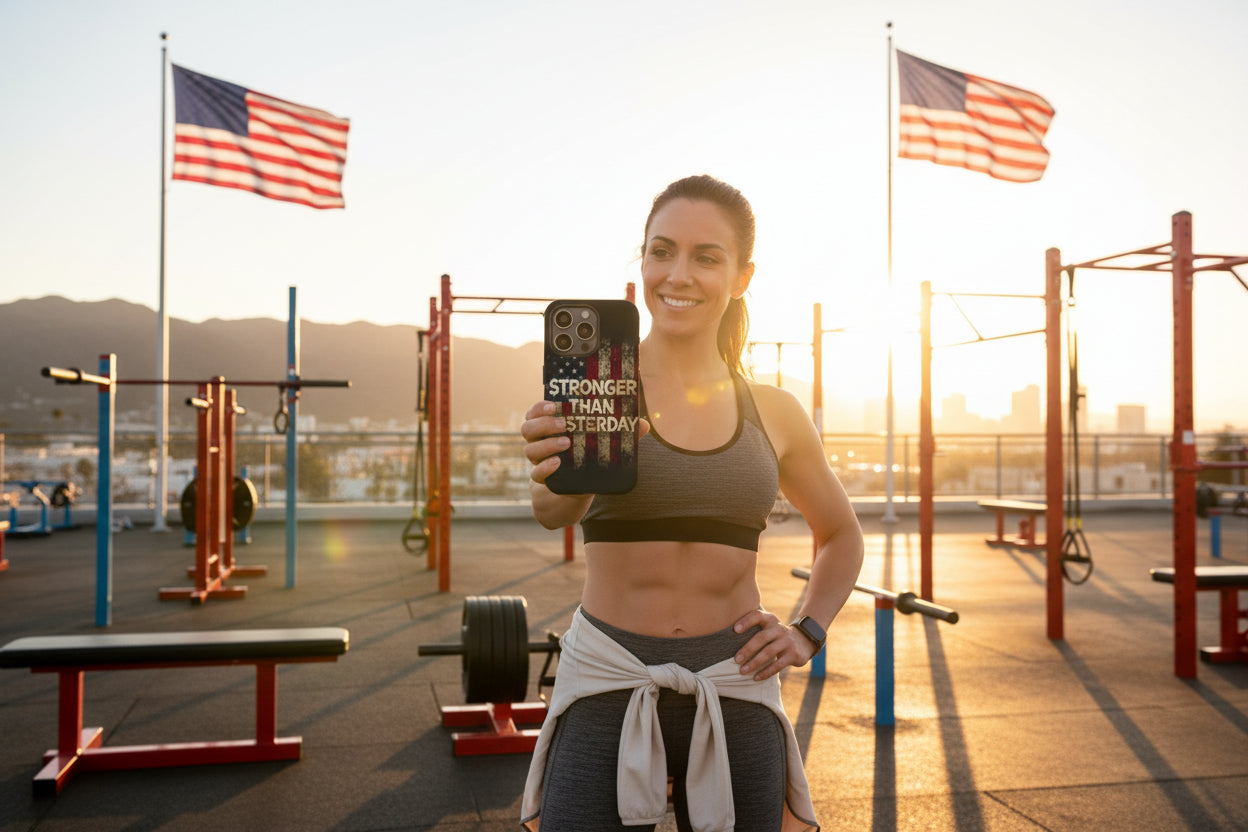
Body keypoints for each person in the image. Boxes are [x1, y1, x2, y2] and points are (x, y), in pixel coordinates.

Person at [519, 174, 864, 832]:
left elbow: (842, 534)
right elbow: (554, 515)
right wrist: (552, 471)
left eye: (707, 257)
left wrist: (806, 632)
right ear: (642, 260)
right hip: (608, 671)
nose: (677, 274)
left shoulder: (775, 411)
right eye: (661, 251)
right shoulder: (597, 387)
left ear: (741, 276)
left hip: (733, 677)